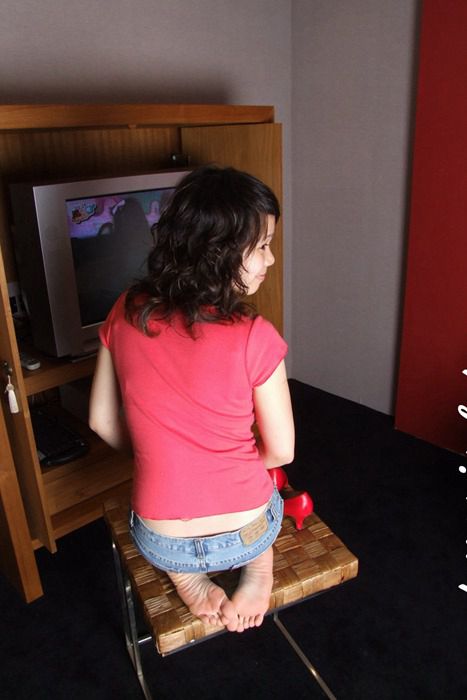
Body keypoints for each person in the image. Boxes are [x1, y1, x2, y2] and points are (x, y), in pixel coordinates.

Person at [89, 165, 295, 634]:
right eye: (262, 246)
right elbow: (282, 451)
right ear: (220, 252)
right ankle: (258, 569)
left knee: (168, 541)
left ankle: (186, 577)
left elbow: (101, 421)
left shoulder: (126, 309)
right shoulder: (256, 336)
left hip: (162, 540)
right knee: (271, 493)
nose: (270, 259)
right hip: (246, 532)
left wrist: (159, 457)